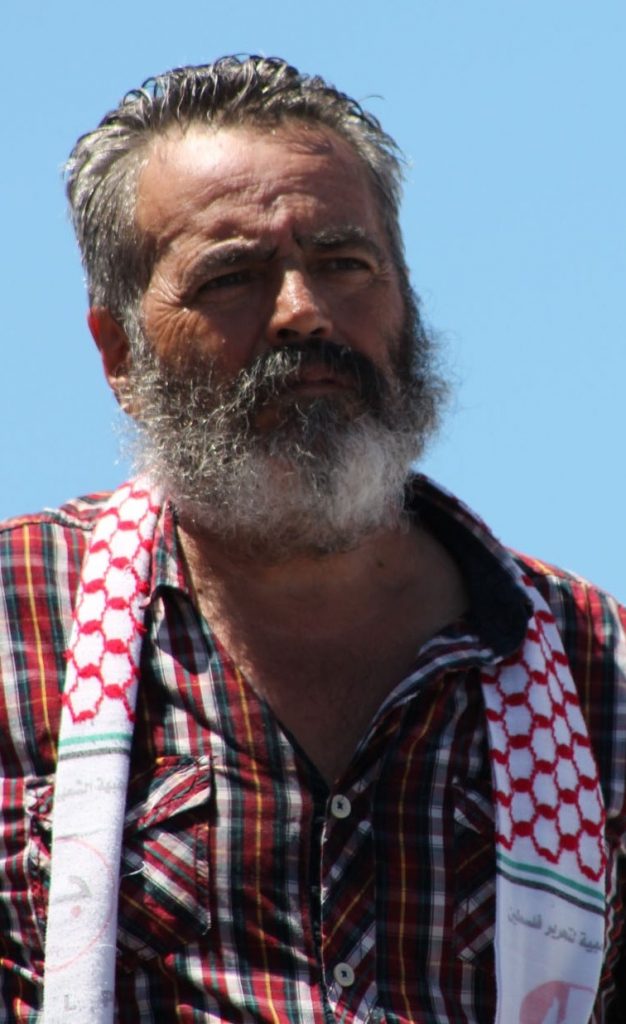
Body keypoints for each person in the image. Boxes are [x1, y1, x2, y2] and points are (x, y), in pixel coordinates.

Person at [0, 56, 623, 1024]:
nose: (303, 312)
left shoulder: (592, 674)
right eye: (233, 276)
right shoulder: (16, 619)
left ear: (405, 300)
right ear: (117, 352)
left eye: (342, 263)